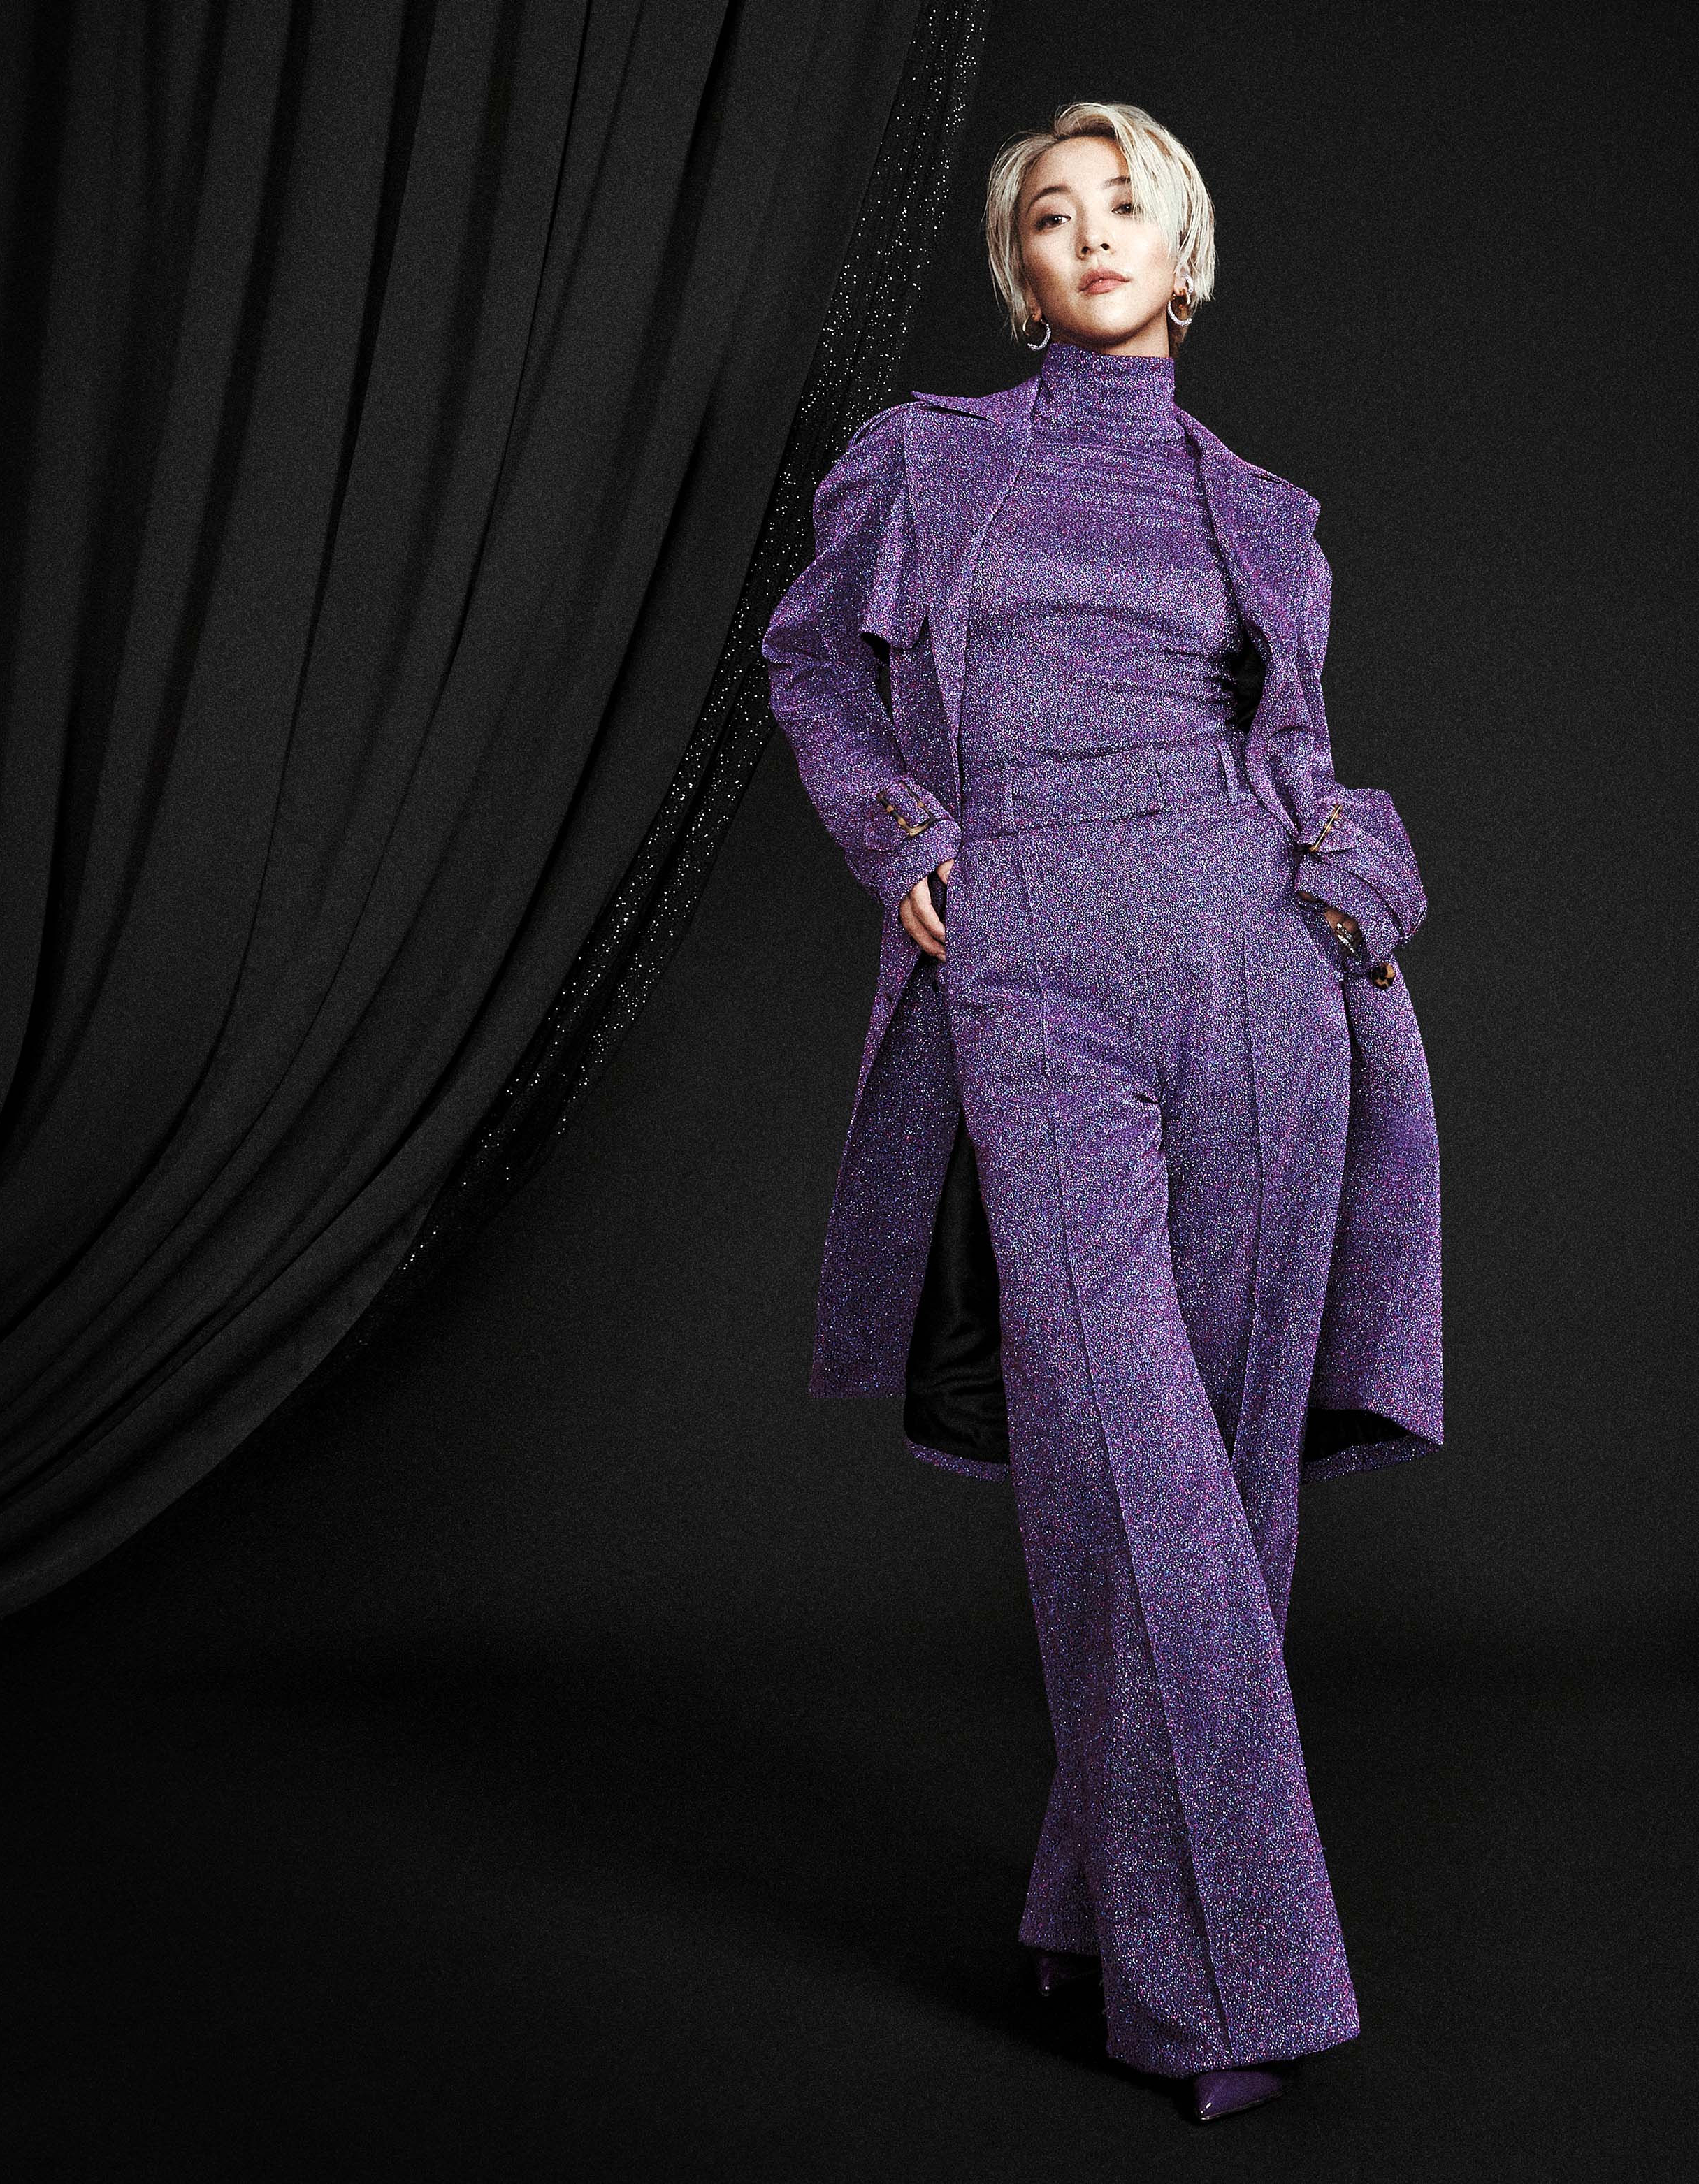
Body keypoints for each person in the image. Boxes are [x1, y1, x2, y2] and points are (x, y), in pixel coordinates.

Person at [761, 101, 1442, 2125]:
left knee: (1227, 1477)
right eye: (1048, 215)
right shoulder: (925, 458)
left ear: (1183, 249)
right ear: (1019, 269)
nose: (1089, 234)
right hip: (1034, 962)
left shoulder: (1267, 512)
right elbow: (811, 666)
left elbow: (1295, 747)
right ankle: (1229, 1989)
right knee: (1129, 1464)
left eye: (1122, 203)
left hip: (1258, 968)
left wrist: (1349, 883)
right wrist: (898, 832)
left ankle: (1090, 1905)